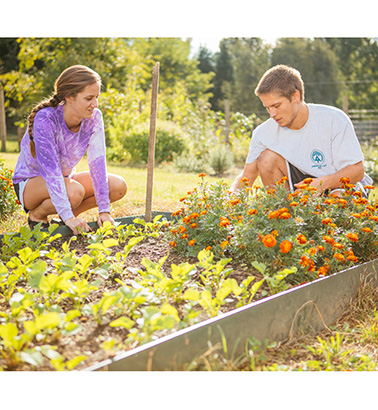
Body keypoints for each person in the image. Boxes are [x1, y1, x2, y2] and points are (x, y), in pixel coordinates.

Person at [12, 65, 127, 235]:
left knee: (118, 186)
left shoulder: (95, 118)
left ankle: (64, 217)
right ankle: (37, 215)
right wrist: (68, 216)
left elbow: (98, 163)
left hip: (65, 180)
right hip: (30, 184)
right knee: (75, 192)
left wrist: (104, 210)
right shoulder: (46, 119)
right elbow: (51, 172)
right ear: (69, 97)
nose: (94, 104)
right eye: (89, 98)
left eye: (96, 97)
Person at [231, 64, 373, 196]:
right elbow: (246, 176)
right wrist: (226, 201)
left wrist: (322, 184)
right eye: (267, 108)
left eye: (277, 105)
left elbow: (357, 171)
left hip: (342, 184)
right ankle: (285, 219)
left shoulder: (334, 119)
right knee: (266, 159)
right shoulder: (263, 133)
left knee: (336, 199)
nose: (272, 114)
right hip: (303, 185)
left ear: (295, 96)